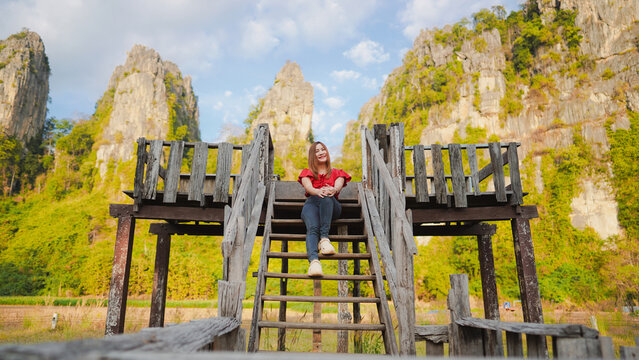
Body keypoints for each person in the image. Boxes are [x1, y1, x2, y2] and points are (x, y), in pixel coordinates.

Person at [298, 141, 351, 277]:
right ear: (312, 155)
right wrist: (317, 191)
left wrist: (333, 189)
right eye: (317, 151)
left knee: (326, 196)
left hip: (331, 206)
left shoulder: (336, 172)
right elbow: (308, 187)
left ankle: (324, 239)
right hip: (312, 204)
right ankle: (314, 262)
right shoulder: (307, 173)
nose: (321, 152)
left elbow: (338, 184)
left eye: (323, 149)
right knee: (312, 227)